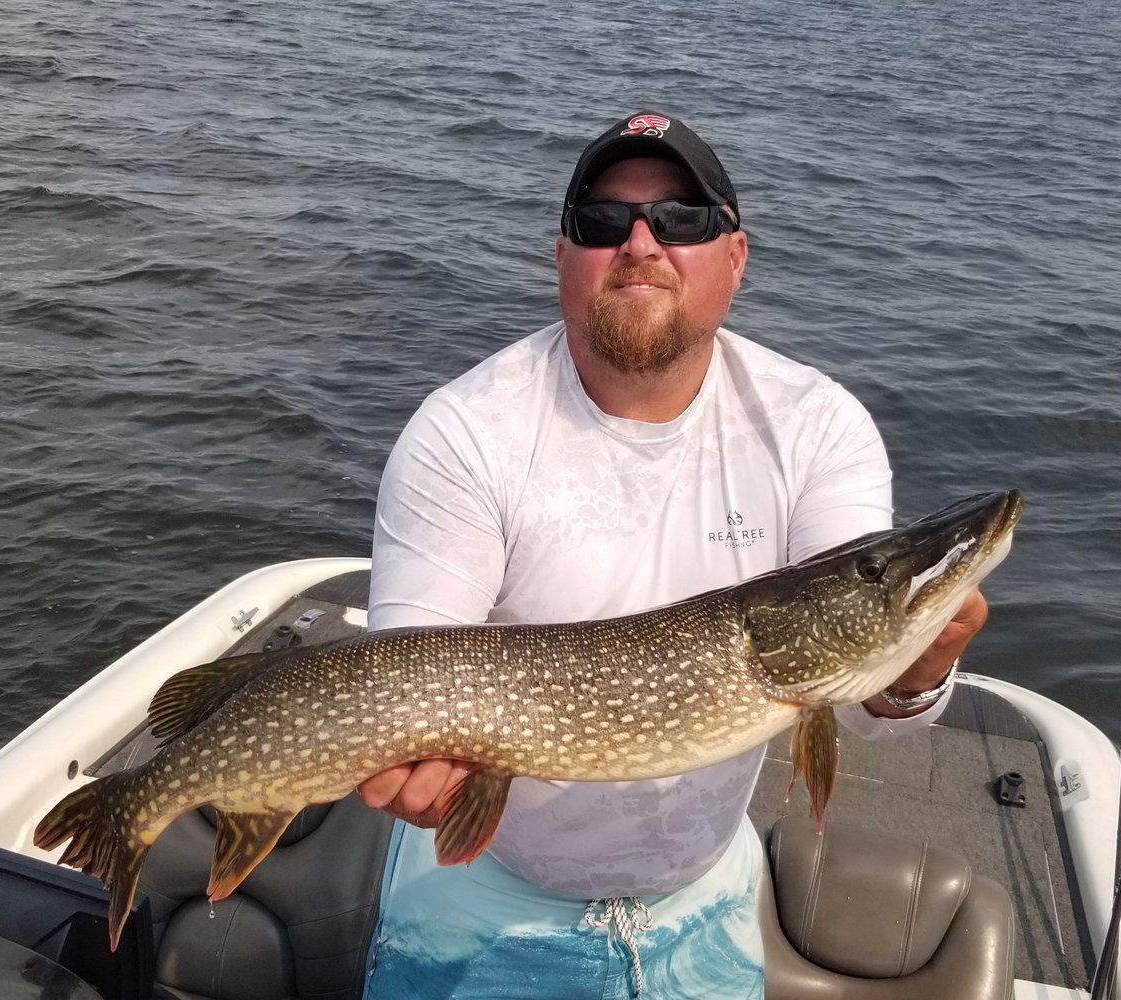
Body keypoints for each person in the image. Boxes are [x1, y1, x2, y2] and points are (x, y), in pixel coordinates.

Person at [356, 111, 989, 999]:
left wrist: (914, 672)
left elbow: (856, 692)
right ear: (562, 256)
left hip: (706, 898)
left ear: (734, 255)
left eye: (682, 220)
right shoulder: (465, 432)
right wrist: (413, 761)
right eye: (603, 222)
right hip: (476, 896)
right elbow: (408, 668)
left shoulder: (815, 425)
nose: (641, 244)